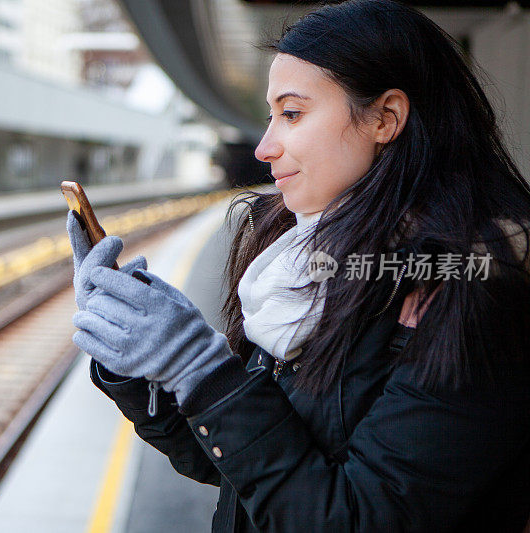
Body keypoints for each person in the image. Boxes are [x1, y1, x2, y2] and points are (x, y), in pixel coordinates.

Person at [67, 1, 530, 531]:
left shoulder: (471, 292)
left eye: (292, 113)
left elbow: (356, 518)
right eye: (271, 116)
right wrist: (137, 362)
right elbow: (241, 467)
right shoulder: (308, 263)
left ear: (385, 118)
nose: (264, 147)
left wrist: (201, 370)